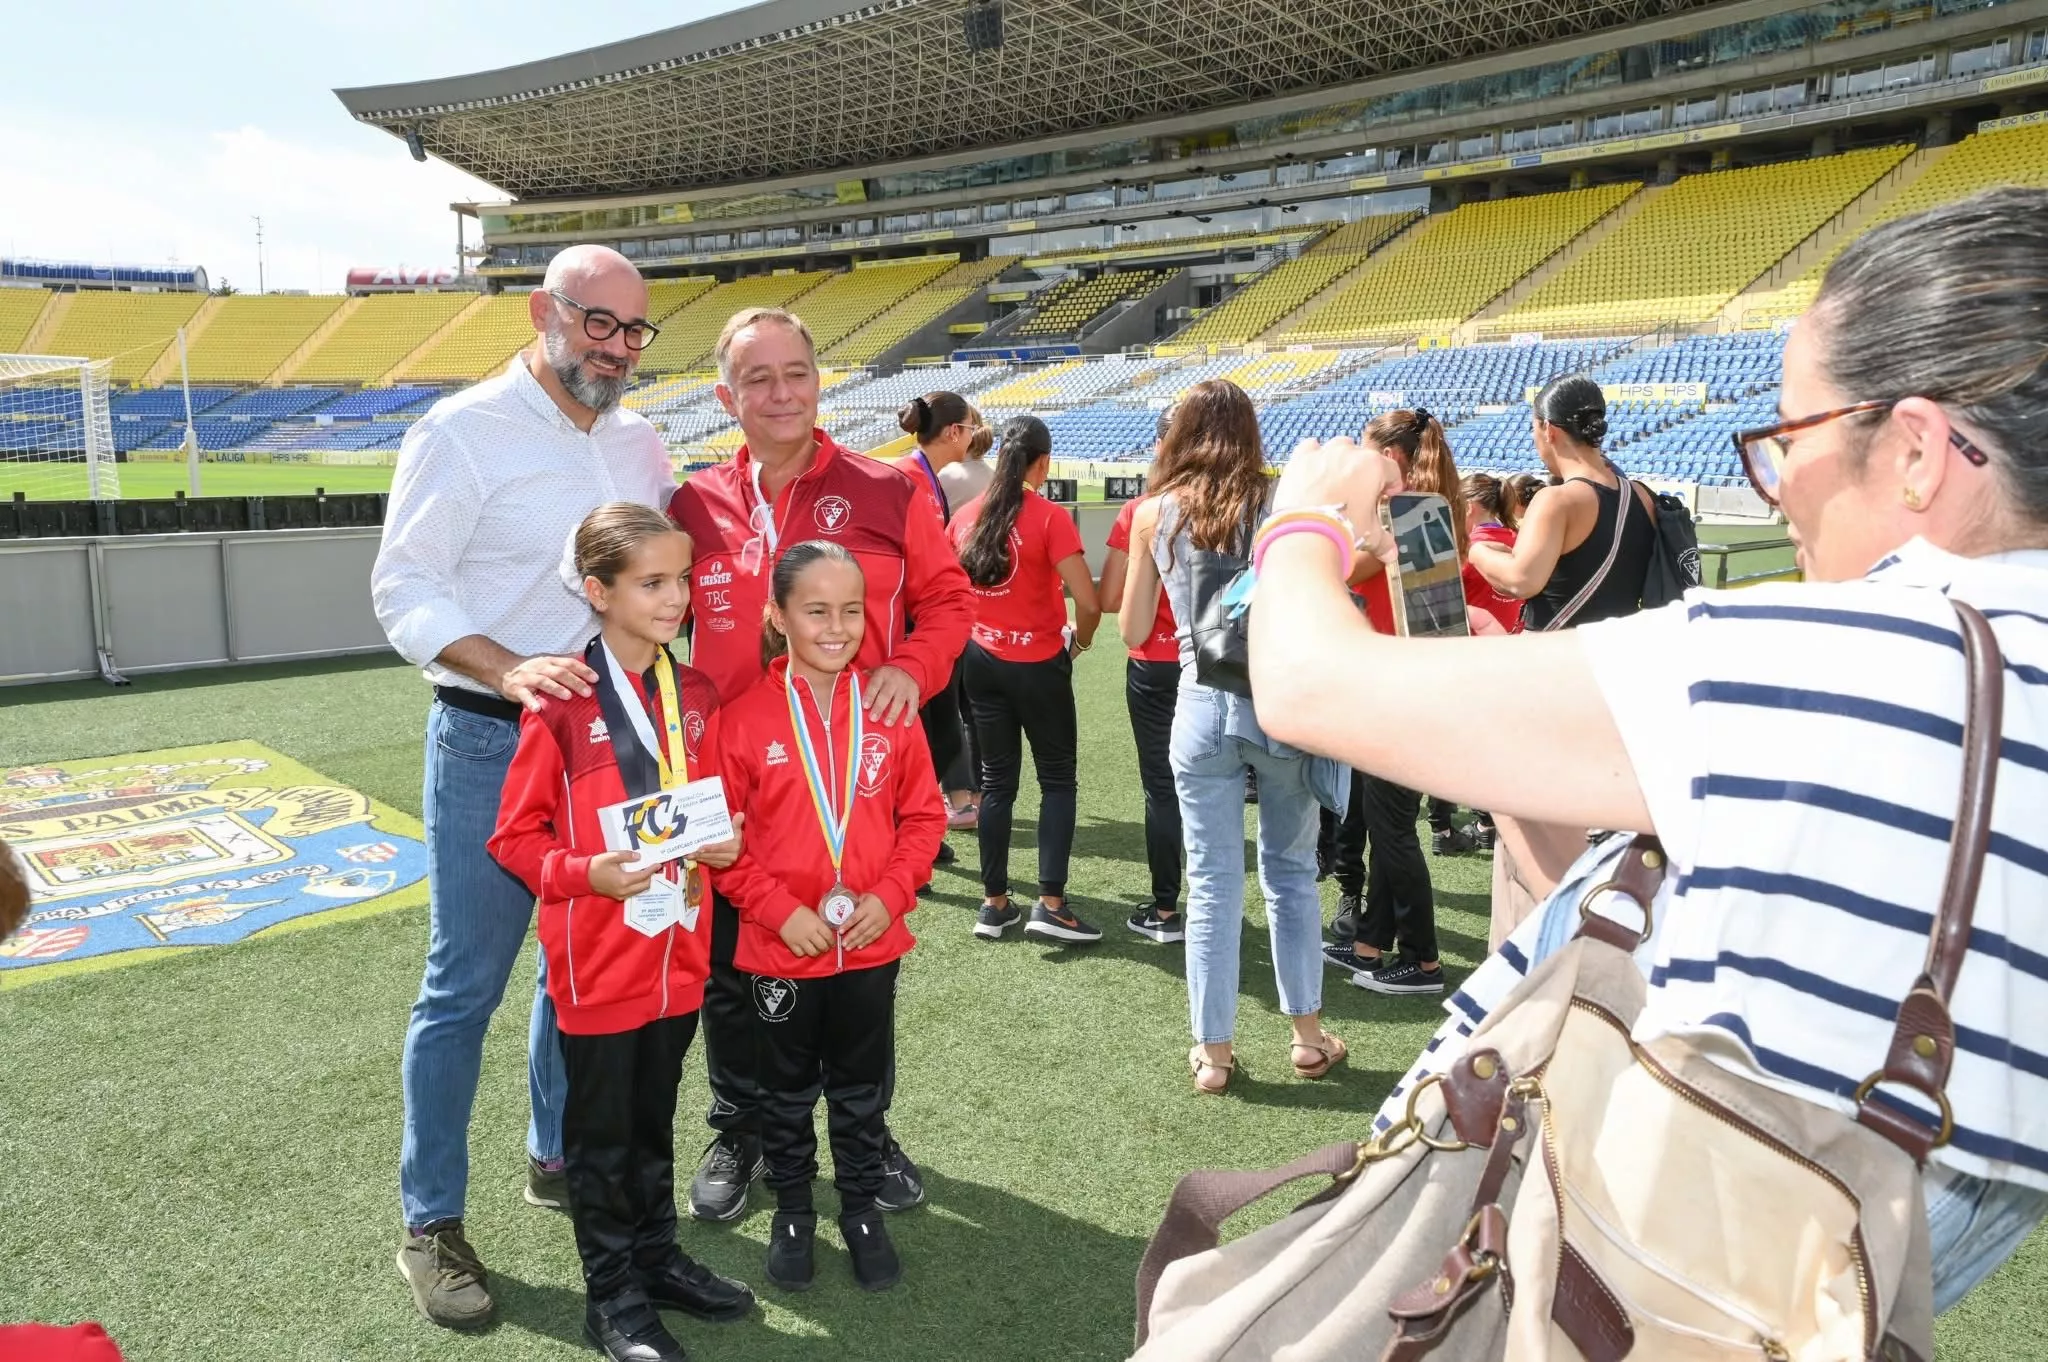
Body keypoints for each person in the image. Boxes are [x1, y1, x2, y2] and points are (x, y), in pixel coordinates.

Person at [1249, 187, 2048, 1312]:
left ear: (1914, 450)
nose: (1776, 497)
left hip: (1589, 1289)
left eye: (1785, 442)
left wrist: (1303, 523)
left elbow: (1302, 683)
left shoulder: (1843, 657)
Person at [371, 244, 677, 1330]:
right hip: (492, 740)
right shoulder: (458, 432)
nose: (618, 349)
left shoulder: (642, 441)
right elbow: (400, 586)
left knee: (578, 973)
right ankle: (431, 1222)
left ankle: (559, 1150)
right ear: (546, 311)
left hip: (611, 745)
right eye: (600, 324)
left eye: (636, 332)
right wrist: (507, 668)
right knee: (465, 985)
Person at [666, 306, 971, 1225]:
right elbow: (658, 626)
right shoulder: (694, 504)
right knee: (731, 972)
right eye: (757, 378)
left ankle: (865, 1140)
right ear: (727, 396)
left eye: (795, 372)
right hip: (730, 778)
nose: (780, 392)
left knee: (854, 966)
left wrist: (908, 676)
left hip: (851, 783)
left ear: (819, 379)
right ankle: (743, 1126)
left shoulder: (887, 488)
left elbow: (948, 602)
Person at [487, 504, 755, 1362]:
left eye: (681, 579)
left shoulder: (699, 693)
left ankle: (655, 1257)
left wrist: (729, 839)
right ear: (598, 593)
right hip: (599, 960)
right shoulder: (563, 700)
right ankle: (610, 1299)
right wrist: (585, 874)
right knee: (602, 1139)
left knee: (653, 1118)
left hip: (679, 950)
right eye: (653, 583)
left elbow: (711, 808)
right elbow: (516, 839)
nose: (676, 597)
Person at [706, 541, 946, 1293]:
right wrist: (779, 911)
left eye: (852, 610)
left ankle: (860, 1209)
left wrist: (891, 896)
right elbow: (720, 844)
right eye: (816, 610)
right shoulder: (740, 721)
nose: (838, 626)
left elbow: (924, 816)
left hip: (871, 944)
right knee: (782, 1092)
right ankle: (793, 1212)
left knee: (862, 1087)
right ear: (777, 617)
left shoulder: (890, 708)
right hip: (781, 951)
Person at [1121, 379, 1347, 1094]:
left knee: (1212, 883)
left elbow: (1132, 631)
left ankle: (1212, 1054)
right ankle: (1308, 1039)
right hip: (1277, 703)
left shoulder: (1153, 513)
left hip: (1198, 703)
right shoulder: (1281, 503)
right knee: (1291, 874)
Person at [1466, 378, 1661, 942]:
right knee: (1590, 836)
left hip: (1550, 684)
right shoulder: (1639, 496)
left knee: (1528, 848)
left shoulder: (1557, 499)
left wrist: (1480, 548)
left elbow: (1523, 578)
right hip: (1611, 684)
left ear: (1548, 430)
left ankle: (1524, 968)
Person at [949, 414, 1103, 943]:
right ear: (1042, 462)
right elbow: (1088, 600)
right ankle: (1051, 904)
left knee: (996, 783)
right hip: (1038, 664)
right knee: (1057, 780)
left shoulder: (965, 517)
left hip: (981, 662)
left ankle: (994, 905)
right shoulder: (1048, 518)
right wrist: (1078, 643)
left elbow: (949, 595)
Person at [1320, 408, 1458, 995]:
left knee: (1394, 828)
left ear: (1393, 460)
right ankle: (1373, 943)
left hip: (1403, 692)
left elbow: (1342, 569)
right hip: (1414, 687)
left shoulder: (1402, 520)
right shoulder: (1427, 508)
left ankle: (1425, 962)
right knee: (1385, 822)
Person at [1097, 408, 1186, 942]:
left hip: (1155, 662)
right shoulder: (1241, 507)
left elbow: (1114, 603)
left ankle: (1166, 908)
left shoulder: (1142, 511)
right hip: (1222, 665)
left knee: (1162, 788)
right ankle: (1216, 905)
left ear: (1159, 448)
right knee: (1216, 790)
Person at [891, 392, 983, 857]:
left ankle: (923, 830)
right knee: (917, 733)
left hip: (925, 623)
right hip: (908, 628)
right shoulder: (907, 479)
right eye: (969, 427)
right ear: (952, 433)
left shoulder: (923, 478)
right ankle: (905, 834)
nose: (973, 434)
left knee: (937, 728)